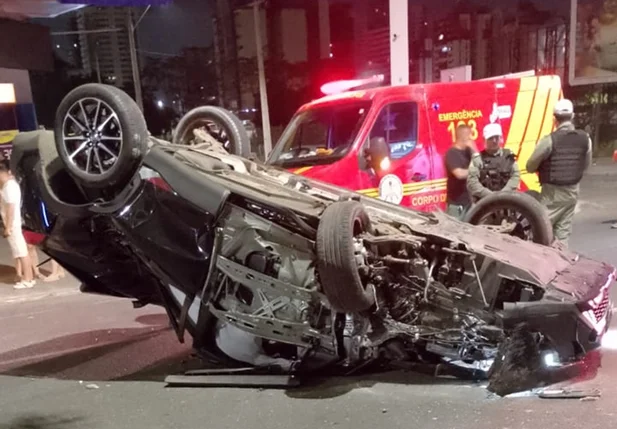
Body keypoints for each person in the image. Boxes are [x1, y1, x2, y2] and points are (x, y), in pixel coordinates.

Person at [526, 99, 592, 245]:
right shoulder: (585, 139)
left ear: (554, 118)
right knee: (562, 237)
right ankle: (560, 266)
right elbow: (585, 165)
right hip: (572, 193)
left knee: (540, 234)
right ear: (572, 116)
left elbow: (530, 166)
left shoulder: (550, 140)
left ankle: (538, 266)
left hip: (552, 195)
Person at [0, 160, 35, 289]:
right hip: (12, 223)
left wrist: (8, 227)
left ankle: (27, 279)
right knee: (19, 252)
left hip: (13, 224)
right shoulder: (7, 185)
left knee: (22, 252)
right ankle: (28, 278)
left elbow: (11, 208)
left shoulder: (9, 186)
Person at [467, 123, 521, 201]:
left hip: (508, 201)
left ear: (501, 138)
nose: (494, 141)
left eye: (496, 137)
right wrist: (491, 196)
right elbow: (472, 183)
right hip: (485, 203)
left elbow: (515, 176)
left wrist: (504, 193)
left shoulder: (508, 156)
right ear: (484, 140)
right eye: (491, 138)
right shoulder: (478, 159)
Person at [444, 124, 476, 219]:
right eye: (469, 136)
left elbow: (480, 164)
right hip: (456, 205)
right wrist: (474, 171)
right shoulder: (452, 153)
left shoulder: (469, 152)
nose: (471, 139)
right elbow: (459, 174)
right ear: (464, 137)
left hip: (468, 202)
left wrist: (474, 150)